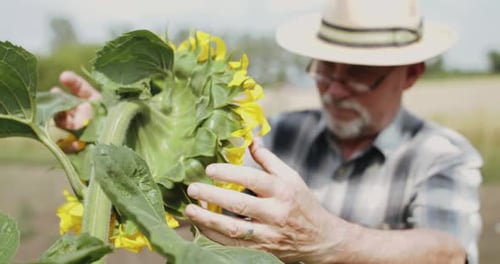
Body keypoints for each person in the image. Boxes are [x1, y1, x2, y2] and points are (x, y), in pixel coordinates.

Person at [54, 0, 482, 263]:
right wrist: (119, 126)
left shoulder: (441, 154)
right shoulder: (281, 134)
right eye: (323, 69)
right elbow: (195, 206)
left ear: (410, 74)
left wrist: (329, 240)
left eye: (356, 75)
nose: (332, 90)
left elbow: (448, 251)